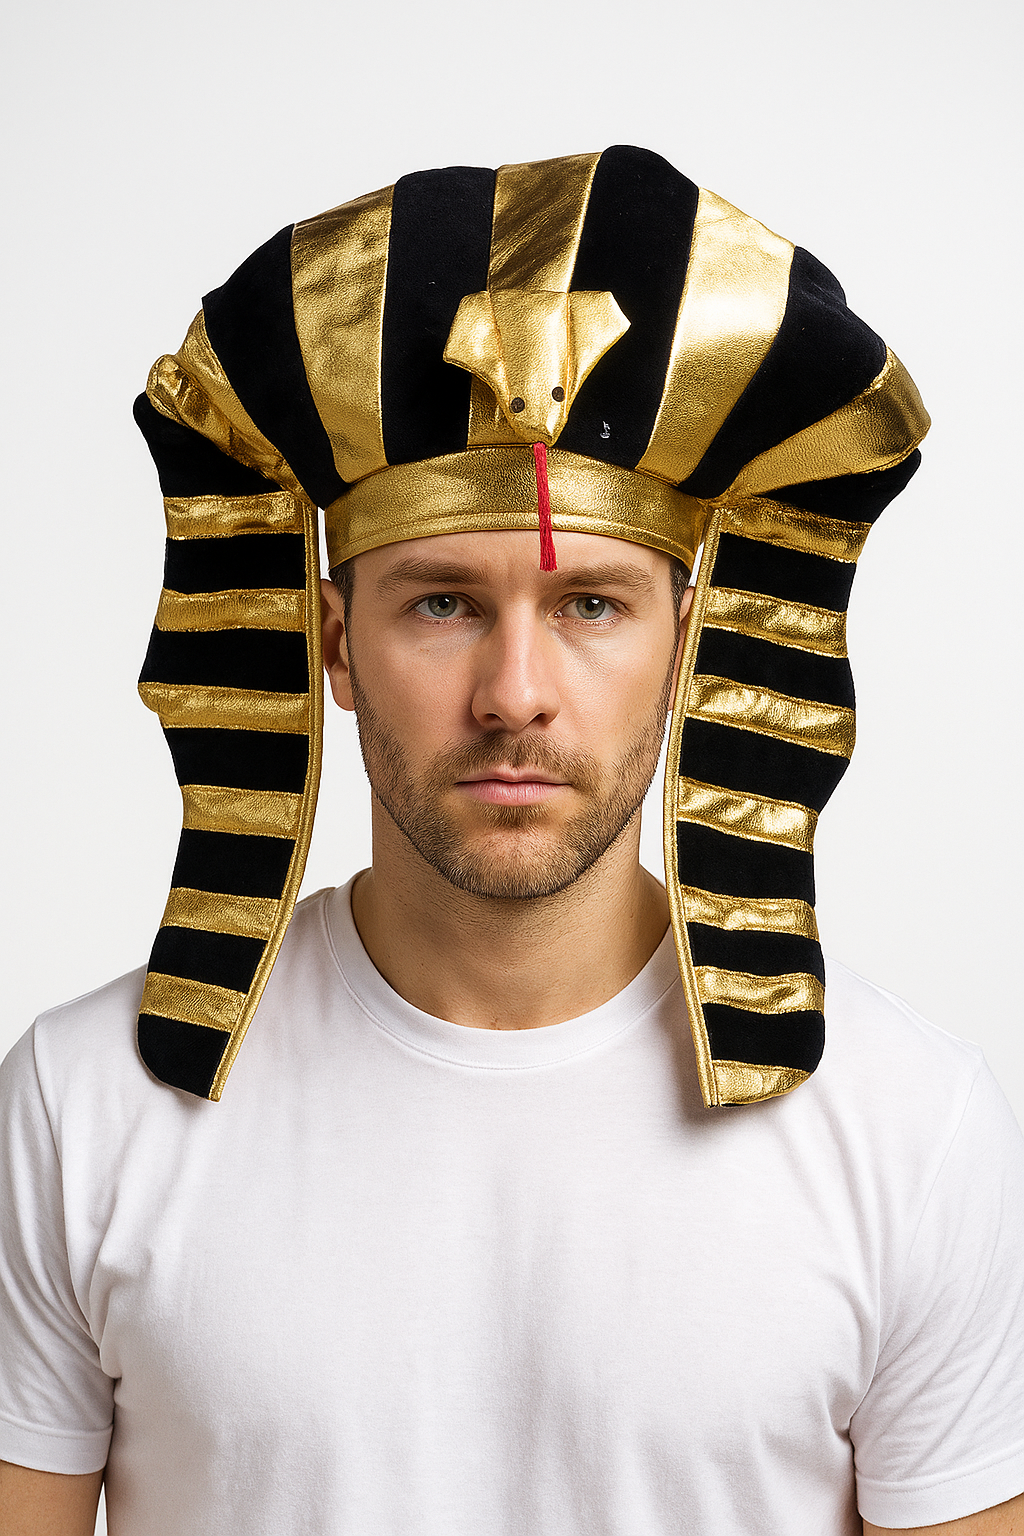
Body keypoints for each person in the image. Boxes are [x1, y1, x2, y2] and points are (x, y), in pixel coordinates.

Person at [1, 146, 1022, 1536]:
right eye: (441, 603)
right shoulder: (84, 1107)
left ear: (690, 645)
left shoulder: (910, 1132)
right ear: (332, 642)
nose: (515, 693)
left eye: (591, 605)